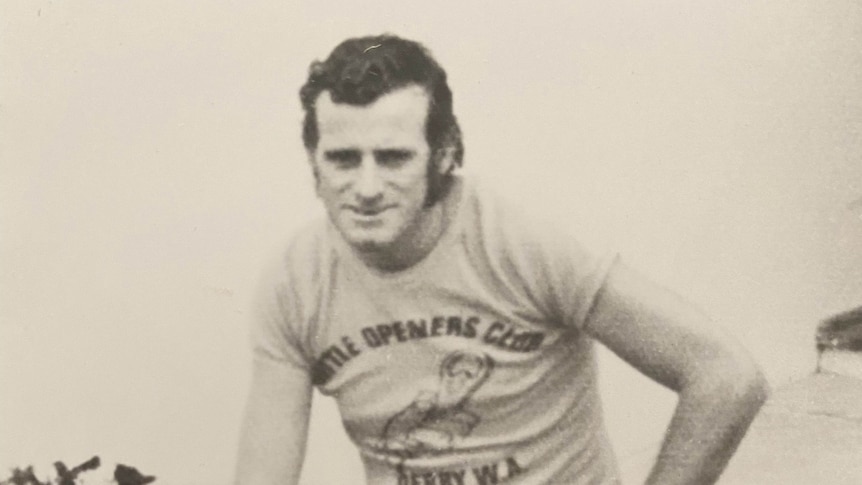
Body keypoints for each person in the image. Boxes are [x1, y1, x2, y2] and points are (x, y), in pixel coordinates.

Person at [234, 34, 769, 485]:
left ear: (442, 155)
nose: (367, 187)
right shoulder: (295, 281)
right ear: (314, 164)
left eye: (394, 157)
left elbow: (725, 377)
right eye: (343, 159)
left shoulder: (522, 242)